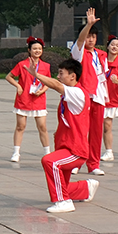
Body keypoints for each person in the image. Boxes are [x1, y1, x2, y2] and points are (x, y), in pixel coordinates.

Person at [35, 58, 100, 214]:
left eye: (61, 73)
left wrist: (36, 75)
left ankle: (64, 202)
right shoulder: (71, 93)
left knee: (50, 161)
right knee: (62, 186)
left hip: (75, 150)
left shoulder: (77, 92)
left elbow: (56, 86)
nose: (58, 77)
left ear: (72, 76)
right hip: (66, 147)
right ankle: (86, 188)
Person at [71, 9, 109, 174]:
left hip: (98, 97)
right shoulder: (78, 53)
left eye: (93, 36)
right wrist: (88, 25)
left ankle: (93, 164)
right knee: (80, 132)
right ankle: (75, 163)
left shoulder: (101, 55)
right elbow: (80, 40)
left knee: (96, 132)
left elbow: (103, 77)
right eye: (88, 36)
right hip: (83, 97)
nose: (91, 39)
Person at [5, 36, 51, 163]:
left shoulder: (46, 66)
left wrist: (42, 90)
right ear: (29, 50)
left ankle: (47, 153)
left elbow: (49, 82)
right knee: (20, 126)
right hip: (23, 99)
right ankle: (16, 152)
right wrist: (18, 86)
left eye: (39, 49)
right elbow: (9, 76)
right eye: (34, 48)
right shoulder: (22, 64)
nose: (37, 51)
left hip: (38, 100)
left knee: (42, 127)